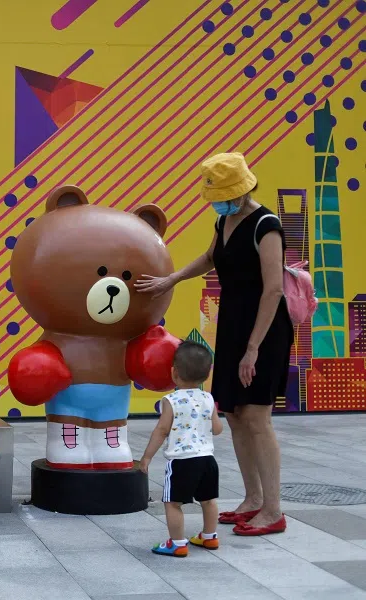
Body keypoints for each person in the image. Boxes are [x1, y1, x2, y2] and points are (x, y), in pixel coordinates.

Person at [136, 152, 292, 536]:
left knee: (257, 417)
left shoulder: (266, 225)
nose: (217, 201)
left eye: (222, 193)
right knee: (236, 415)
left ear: (241, 189)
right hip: (234, 325)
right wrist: (171, 279)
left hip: (264, 329)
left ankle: (273, 510)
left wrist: (253, 348)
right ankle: (252, 500)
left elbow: (273, 290)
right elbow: (210, 257)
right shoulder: (224, 218)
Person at [140, 341, 224, 557]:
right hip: (207, 459)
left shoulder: (171, 400)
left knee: (173, 503)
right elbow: (217, 429)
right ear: (206, 375)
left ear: (174, 373)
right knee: (208, 500)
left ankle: (177, 543)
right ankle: (209, 536)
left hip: (181, 461)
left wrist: (147, 457)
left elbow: (162, 430)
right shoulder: (208, 398)